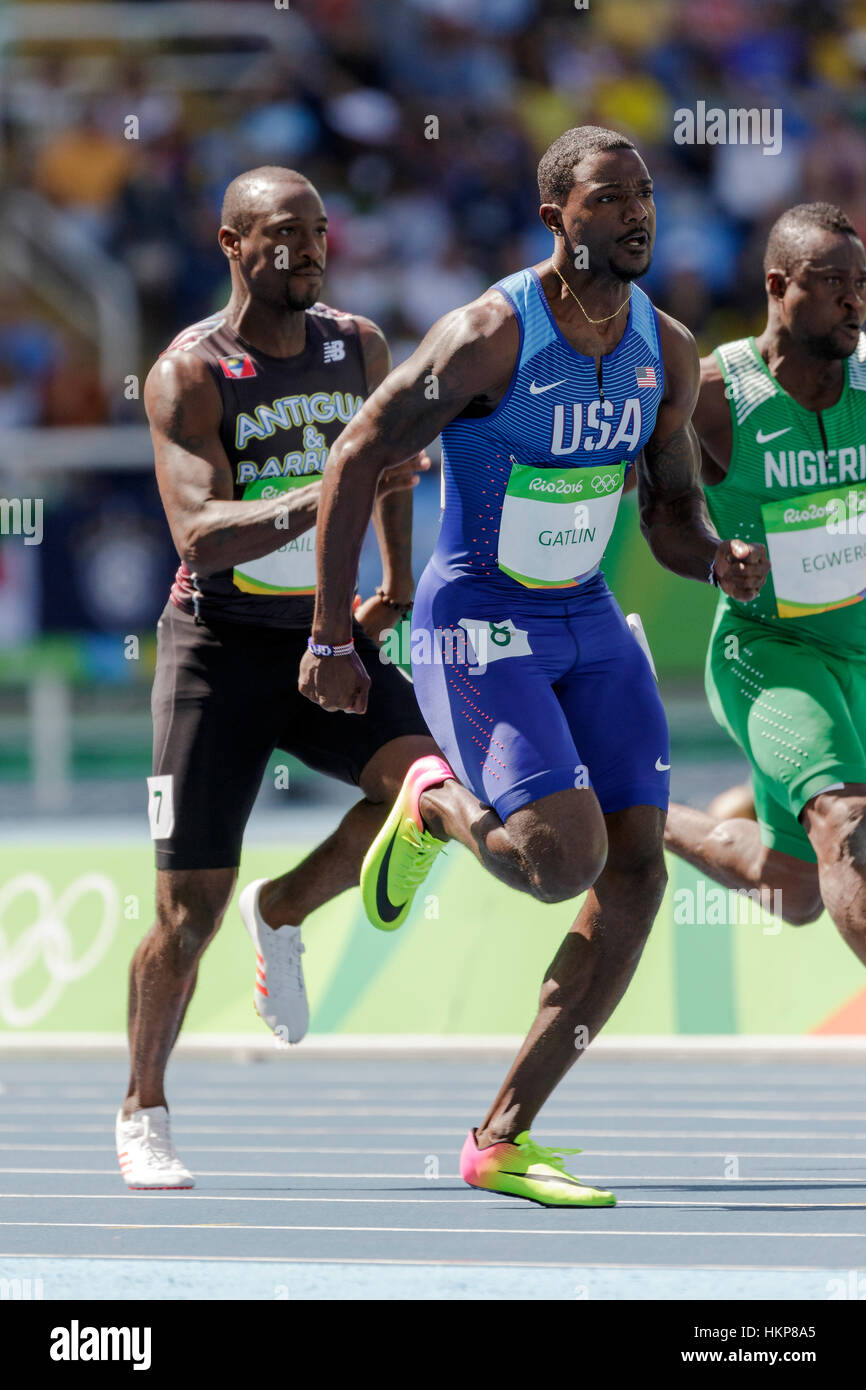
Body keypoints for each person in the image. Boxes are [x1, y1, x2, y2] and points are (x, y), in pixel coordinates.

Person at [299, 127, 768, 1206]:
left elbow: (666, 511)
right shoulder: (486, 337)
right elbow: (356, 453)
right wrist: (334, 630)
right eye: (608, 200)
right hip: (479, 620)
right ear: (554, 216)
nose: (635, 215)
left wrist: (716, 562)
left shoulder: (668, 349)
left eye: (643, 196)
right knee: (561, 861)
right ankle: (434, 806)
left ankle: (499, 1138)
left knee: (639, 870)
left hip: (588, 619)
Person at [117, 165, 453, 1190]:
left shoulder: (359, 347)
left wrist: (390, 589)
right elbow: (201, 536)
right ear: (229, 244)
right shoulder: (189, 374)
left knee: (432, 792)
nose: (303, 250)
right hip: (217, 650)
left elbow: (390, 473)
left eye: (315, 233)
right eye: (278, 235)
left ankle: (290, 907)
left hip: (328, 637)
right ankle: (143, 1107)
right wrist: (332, 484)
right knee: (187, 912)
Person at [664, 203, 866, 964]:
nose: (854, 299)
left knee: (796, 888)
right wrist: (717, 552)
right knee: (846, 823)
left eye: (862, 283)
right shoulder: (716, 397)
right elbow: (653, 508)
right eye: (833, 282)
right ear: (779, 285)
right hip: (768, 648)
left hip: (860, 653)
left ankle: (639, 816)